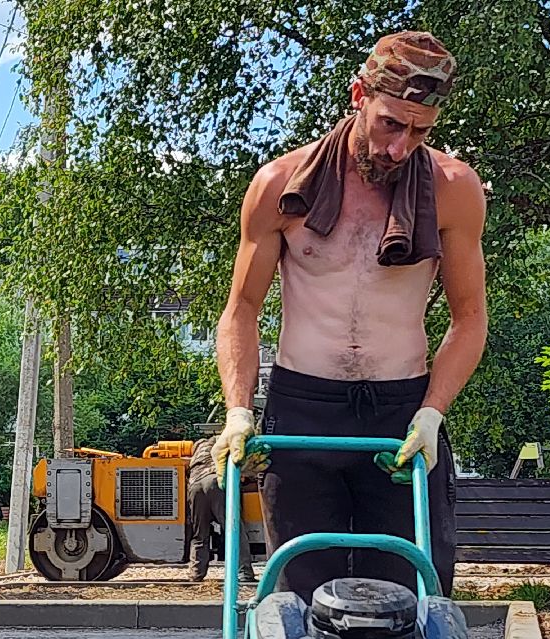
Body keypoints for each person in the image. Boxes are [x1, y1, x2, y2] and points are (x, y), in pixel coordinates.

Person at [213, 30, 487, 601]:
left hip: (402, 415)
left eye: (420, 130)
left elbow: (468, 319)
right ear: (359, 95)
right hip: (303, 414)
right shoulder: (280, 186)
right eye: (392, 123)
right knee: (298, 601)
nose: (401, 146)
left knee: (414, 597)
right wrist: (239, 411)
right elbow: (241, 308)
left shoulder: (454, 190)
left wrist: (433, 413)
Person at [183, 437, 256, 583]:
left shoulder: (197, 454)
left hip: (195, 485)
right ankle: (244, 573)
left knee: (200, 533)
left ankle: (196, 574)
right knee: (234, 530)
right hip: (216, 481)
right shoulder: (221, 442)